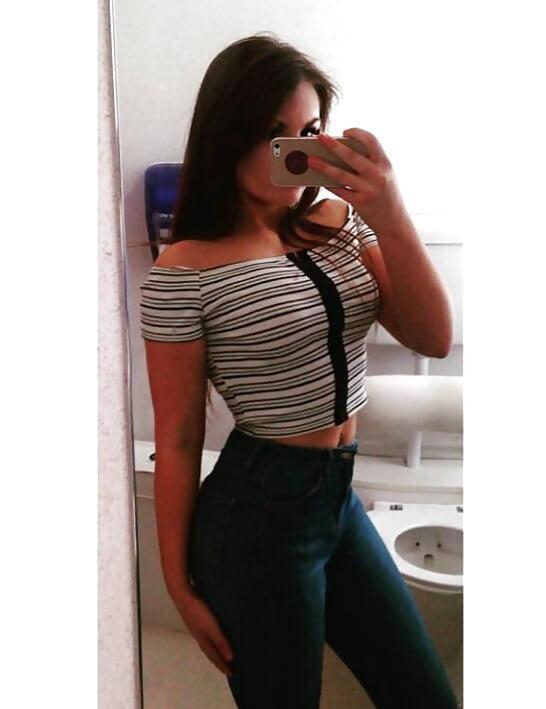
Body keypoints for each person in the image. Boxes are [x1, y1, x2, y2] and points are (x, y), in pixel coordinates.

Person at [140, 32, 458, 709]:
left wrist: (390, 212)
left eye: (310, 130)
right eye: (271, 132)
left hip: (338, 499)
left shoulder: (343, 224)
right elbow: (177, 437)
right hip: (256, 515)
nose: (295, 150)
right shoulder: (184, 270)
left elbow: (433, 337)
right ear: (227, 134)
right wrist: (177, 583)